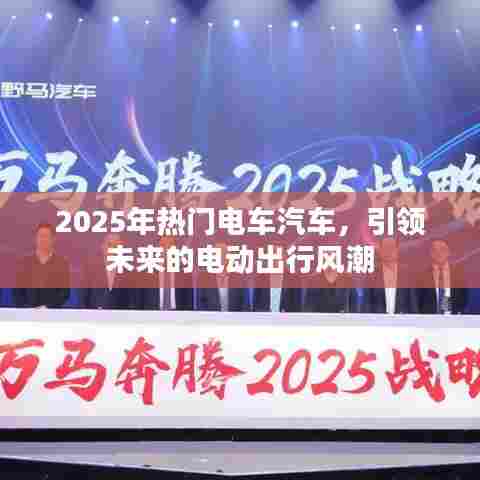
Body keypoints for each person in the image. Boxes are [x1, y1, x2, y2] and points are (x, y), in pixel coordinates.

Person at [14, 223, 70, 308]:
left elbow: (64, 293)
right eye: (40, 236)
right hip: (27, 312)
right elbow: (17, 293)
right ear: (35, 238)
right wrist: (28, 309)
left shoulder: (62, 263)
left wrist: (48, 307)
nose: (43, 239)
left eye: (47, 236)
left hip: (52, 312)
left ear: (53, 239)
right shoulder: (24, 263)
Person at [79, 234, 136, 310]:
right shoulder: (90, 268)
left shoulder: (128, 270)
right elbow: (83, 297)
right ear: (102, 246)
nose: (112, 249)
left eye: (116, 246)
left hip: (120, 315)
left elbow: (131, 301)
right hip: (93, 314)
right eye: (109, 244)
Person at [135, 237, 194, 311]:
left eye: (170, 245)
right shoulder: (146, 275)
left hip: (178, 315)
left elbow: (189, 305)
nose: (166, 248)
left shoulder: (184, 274)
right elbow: (138, 305)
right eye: (163, 245)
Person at [362, 238, 419, 314]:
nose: (388, 251)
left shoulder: (407, 274)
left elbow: (412, 303)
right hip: (378, 319)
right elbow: (367, 304)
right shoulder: (372, 275)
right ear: (381, 251)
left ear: (397, 250)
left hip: (402, 319)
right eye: (385, 248)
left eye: (391, 247)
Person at [418, 239, 468, 315]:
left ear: (449, 252)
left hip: (453, 318)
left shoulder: (459, 274)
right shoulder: (422, 275)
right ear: (430, 253)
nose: (439, 253)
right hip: (429, 319)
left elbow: (464, 298)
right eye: (435, 250)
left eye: (442, 249)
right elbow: (419, 301)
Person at [197, 242, 250, 311]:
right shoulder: (204, 278)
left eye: (224, 253)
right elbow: (200, 304)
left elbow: (245, 305)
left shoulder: (238, 278)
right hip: (210, 317)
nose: (221, 257)